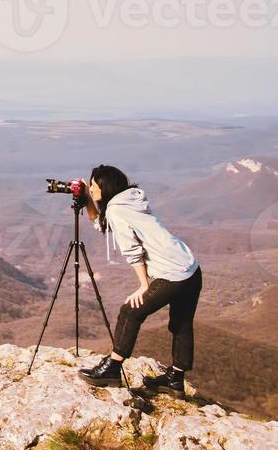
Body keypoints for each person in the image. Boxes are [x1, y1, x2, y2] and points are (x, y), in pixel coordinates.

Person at [77, 164, 202, 392]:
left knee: (130, 311)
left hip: (173, 273)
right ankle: (175, 379)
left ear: (105, 187)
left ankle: (112, 368)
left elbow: (131, 250)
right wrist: (86, 199)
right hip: (190, 267)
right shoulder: (130, 200)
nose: (92, 189)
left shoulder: (117, 210)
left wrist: (144, 285)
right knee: (181, 324)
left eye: (93, 185)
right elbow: (102, 224)